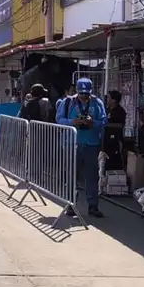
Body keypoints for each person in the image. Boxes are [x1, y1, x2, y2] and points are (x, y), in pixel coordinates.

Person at [57, 78, 107, 218]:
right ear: (76, 92)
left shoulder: (97, 102)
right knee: (72, 175)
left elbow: (103, 121)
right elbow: (59, 119)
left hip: (91, 144)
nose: (84, 97)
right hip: (71, 144)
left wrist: (93, 123)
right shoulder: (68, 102)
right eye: (81, 93)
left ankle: (93, 206)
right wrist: (73, 122)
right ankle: (71, 205)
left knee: (92, 176)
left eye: (86, 94)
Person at [103, 90, 126, 170]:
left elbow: (121, 125)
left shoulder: (120, 111)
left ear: (114, 100)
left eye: (109, 98)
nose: (107, 99)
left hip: (115, 141)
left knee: (114, 161)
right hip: (105, 140)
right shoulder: (105, 110)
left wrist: (106, 125)